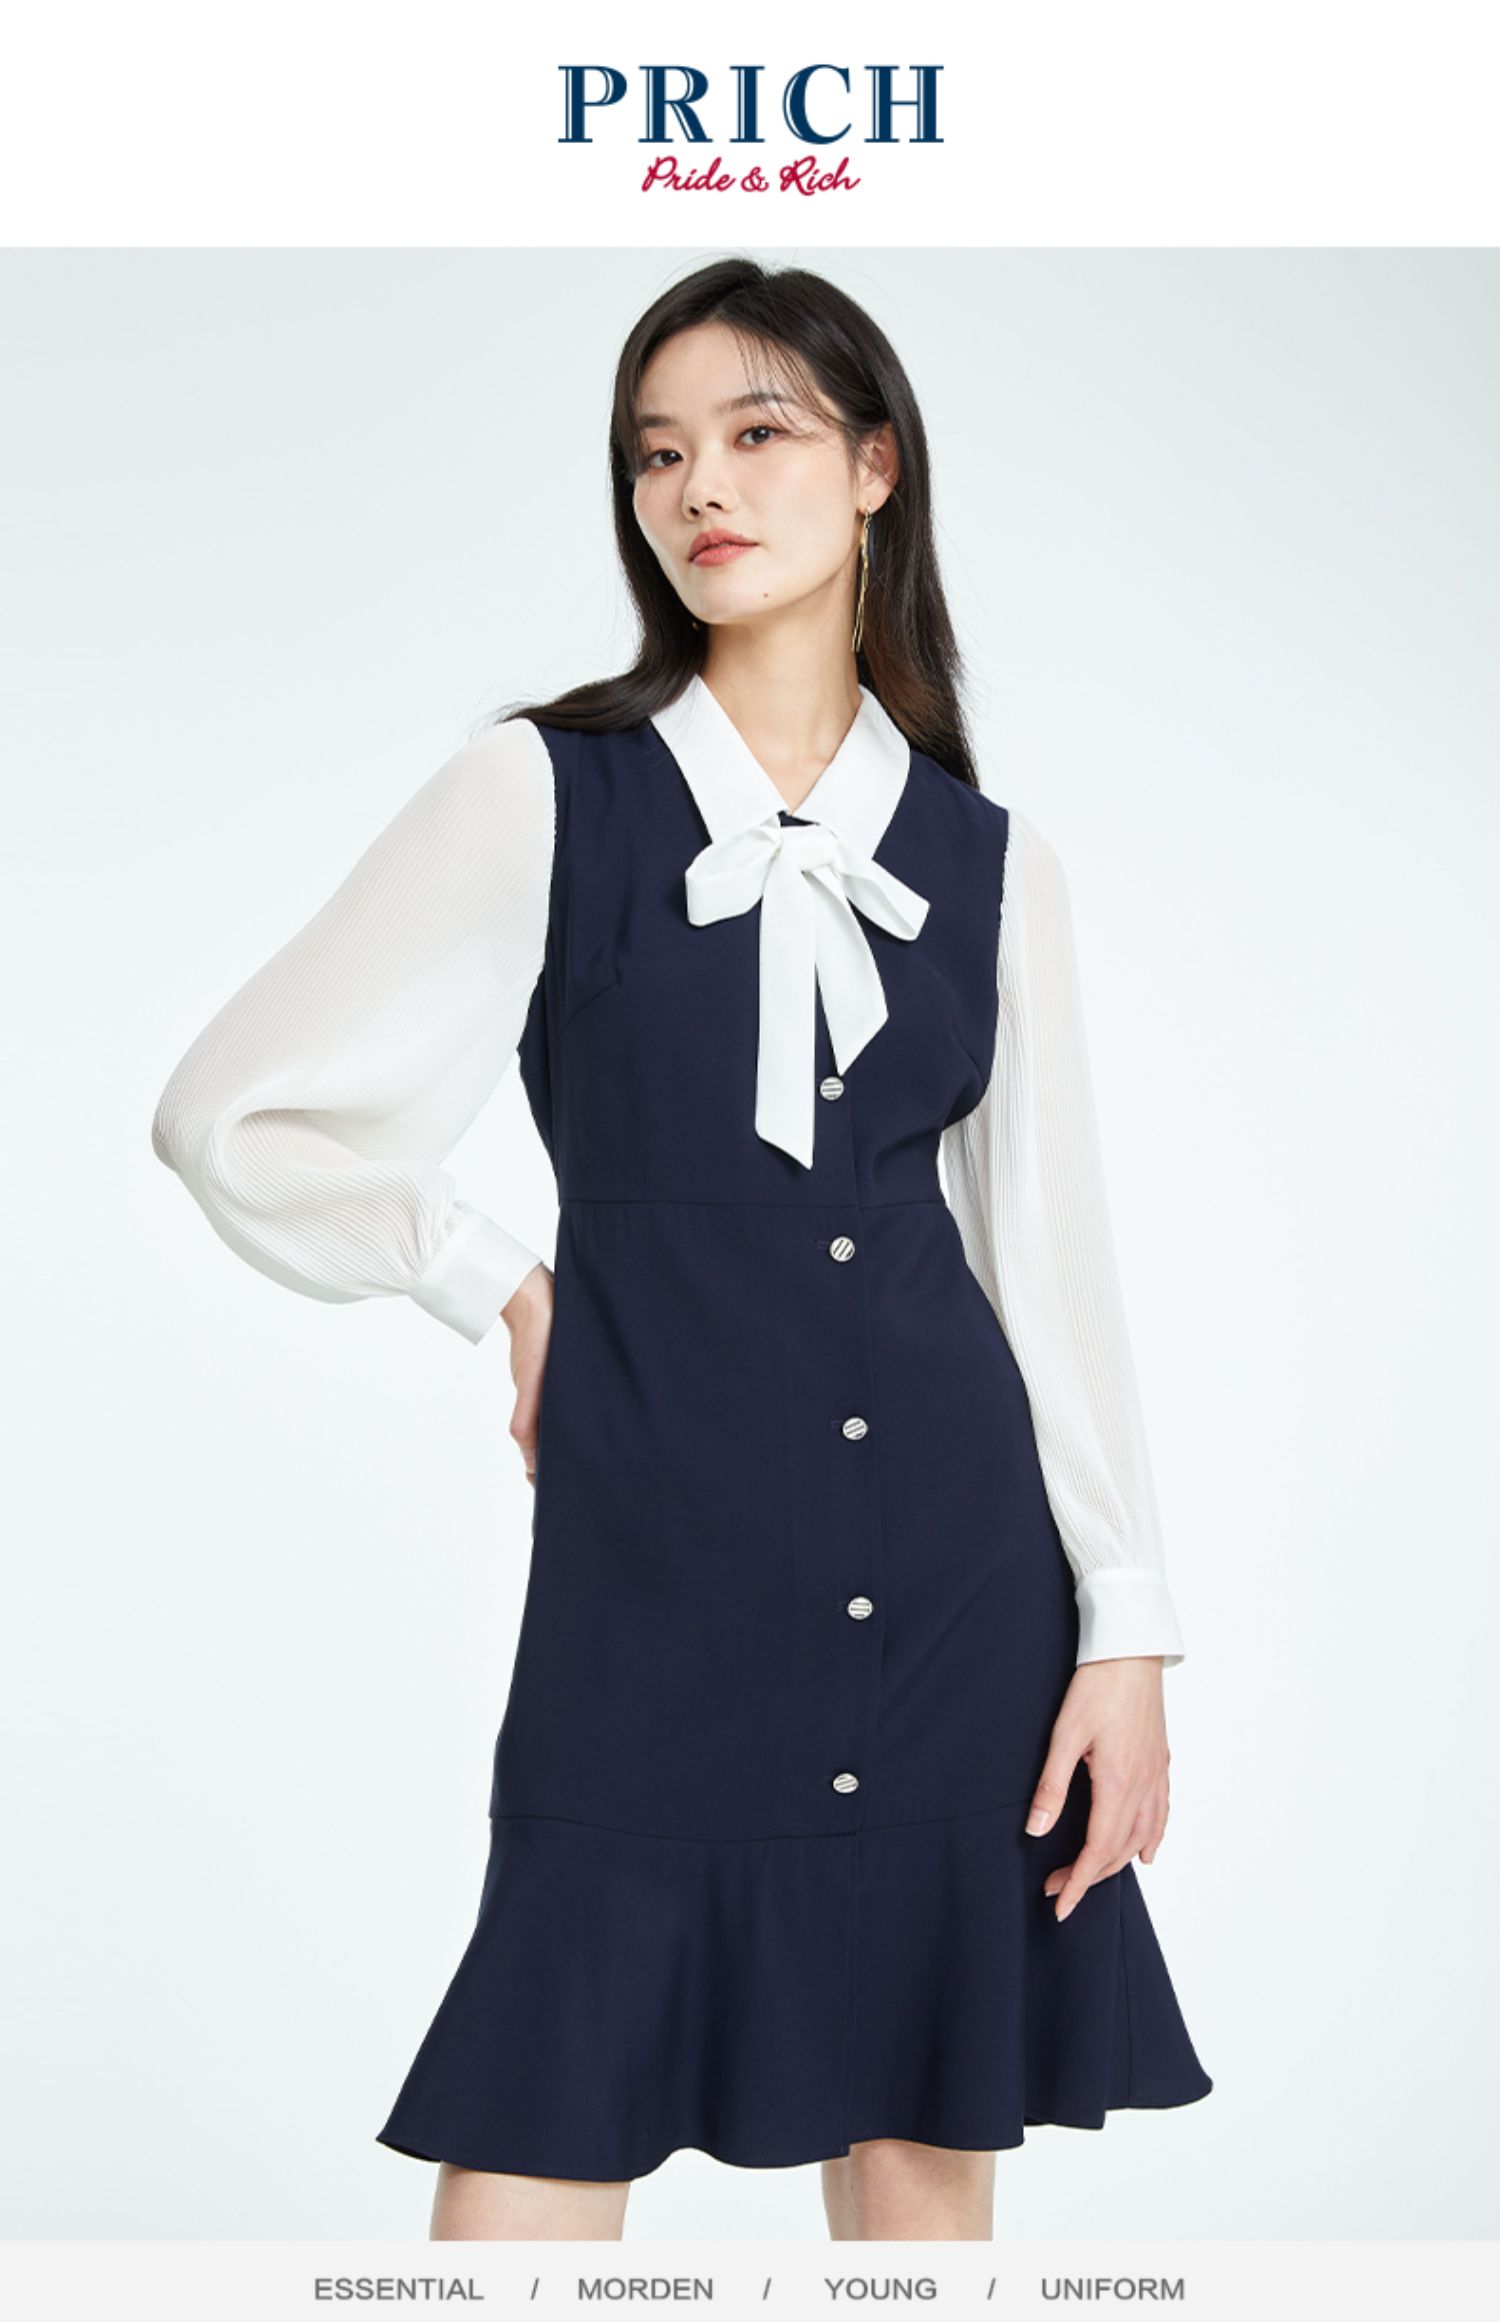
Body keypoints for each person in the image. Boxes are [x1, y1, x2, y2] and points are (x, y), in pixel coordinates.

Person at [150, 255, 1212, 2243]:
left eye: (757, 432)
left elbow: (1047, 1263)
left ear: (876, 468)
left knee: (922, 2184)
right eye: (657, 453)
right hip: (652, 1585)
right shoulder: (545, 793)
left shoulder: (992, 865)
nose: (699, 486)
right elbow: (234, 1111)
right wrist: (501, 1281)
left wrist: (1127, 1628)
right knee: (536, 2158)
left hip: (959, 1596)